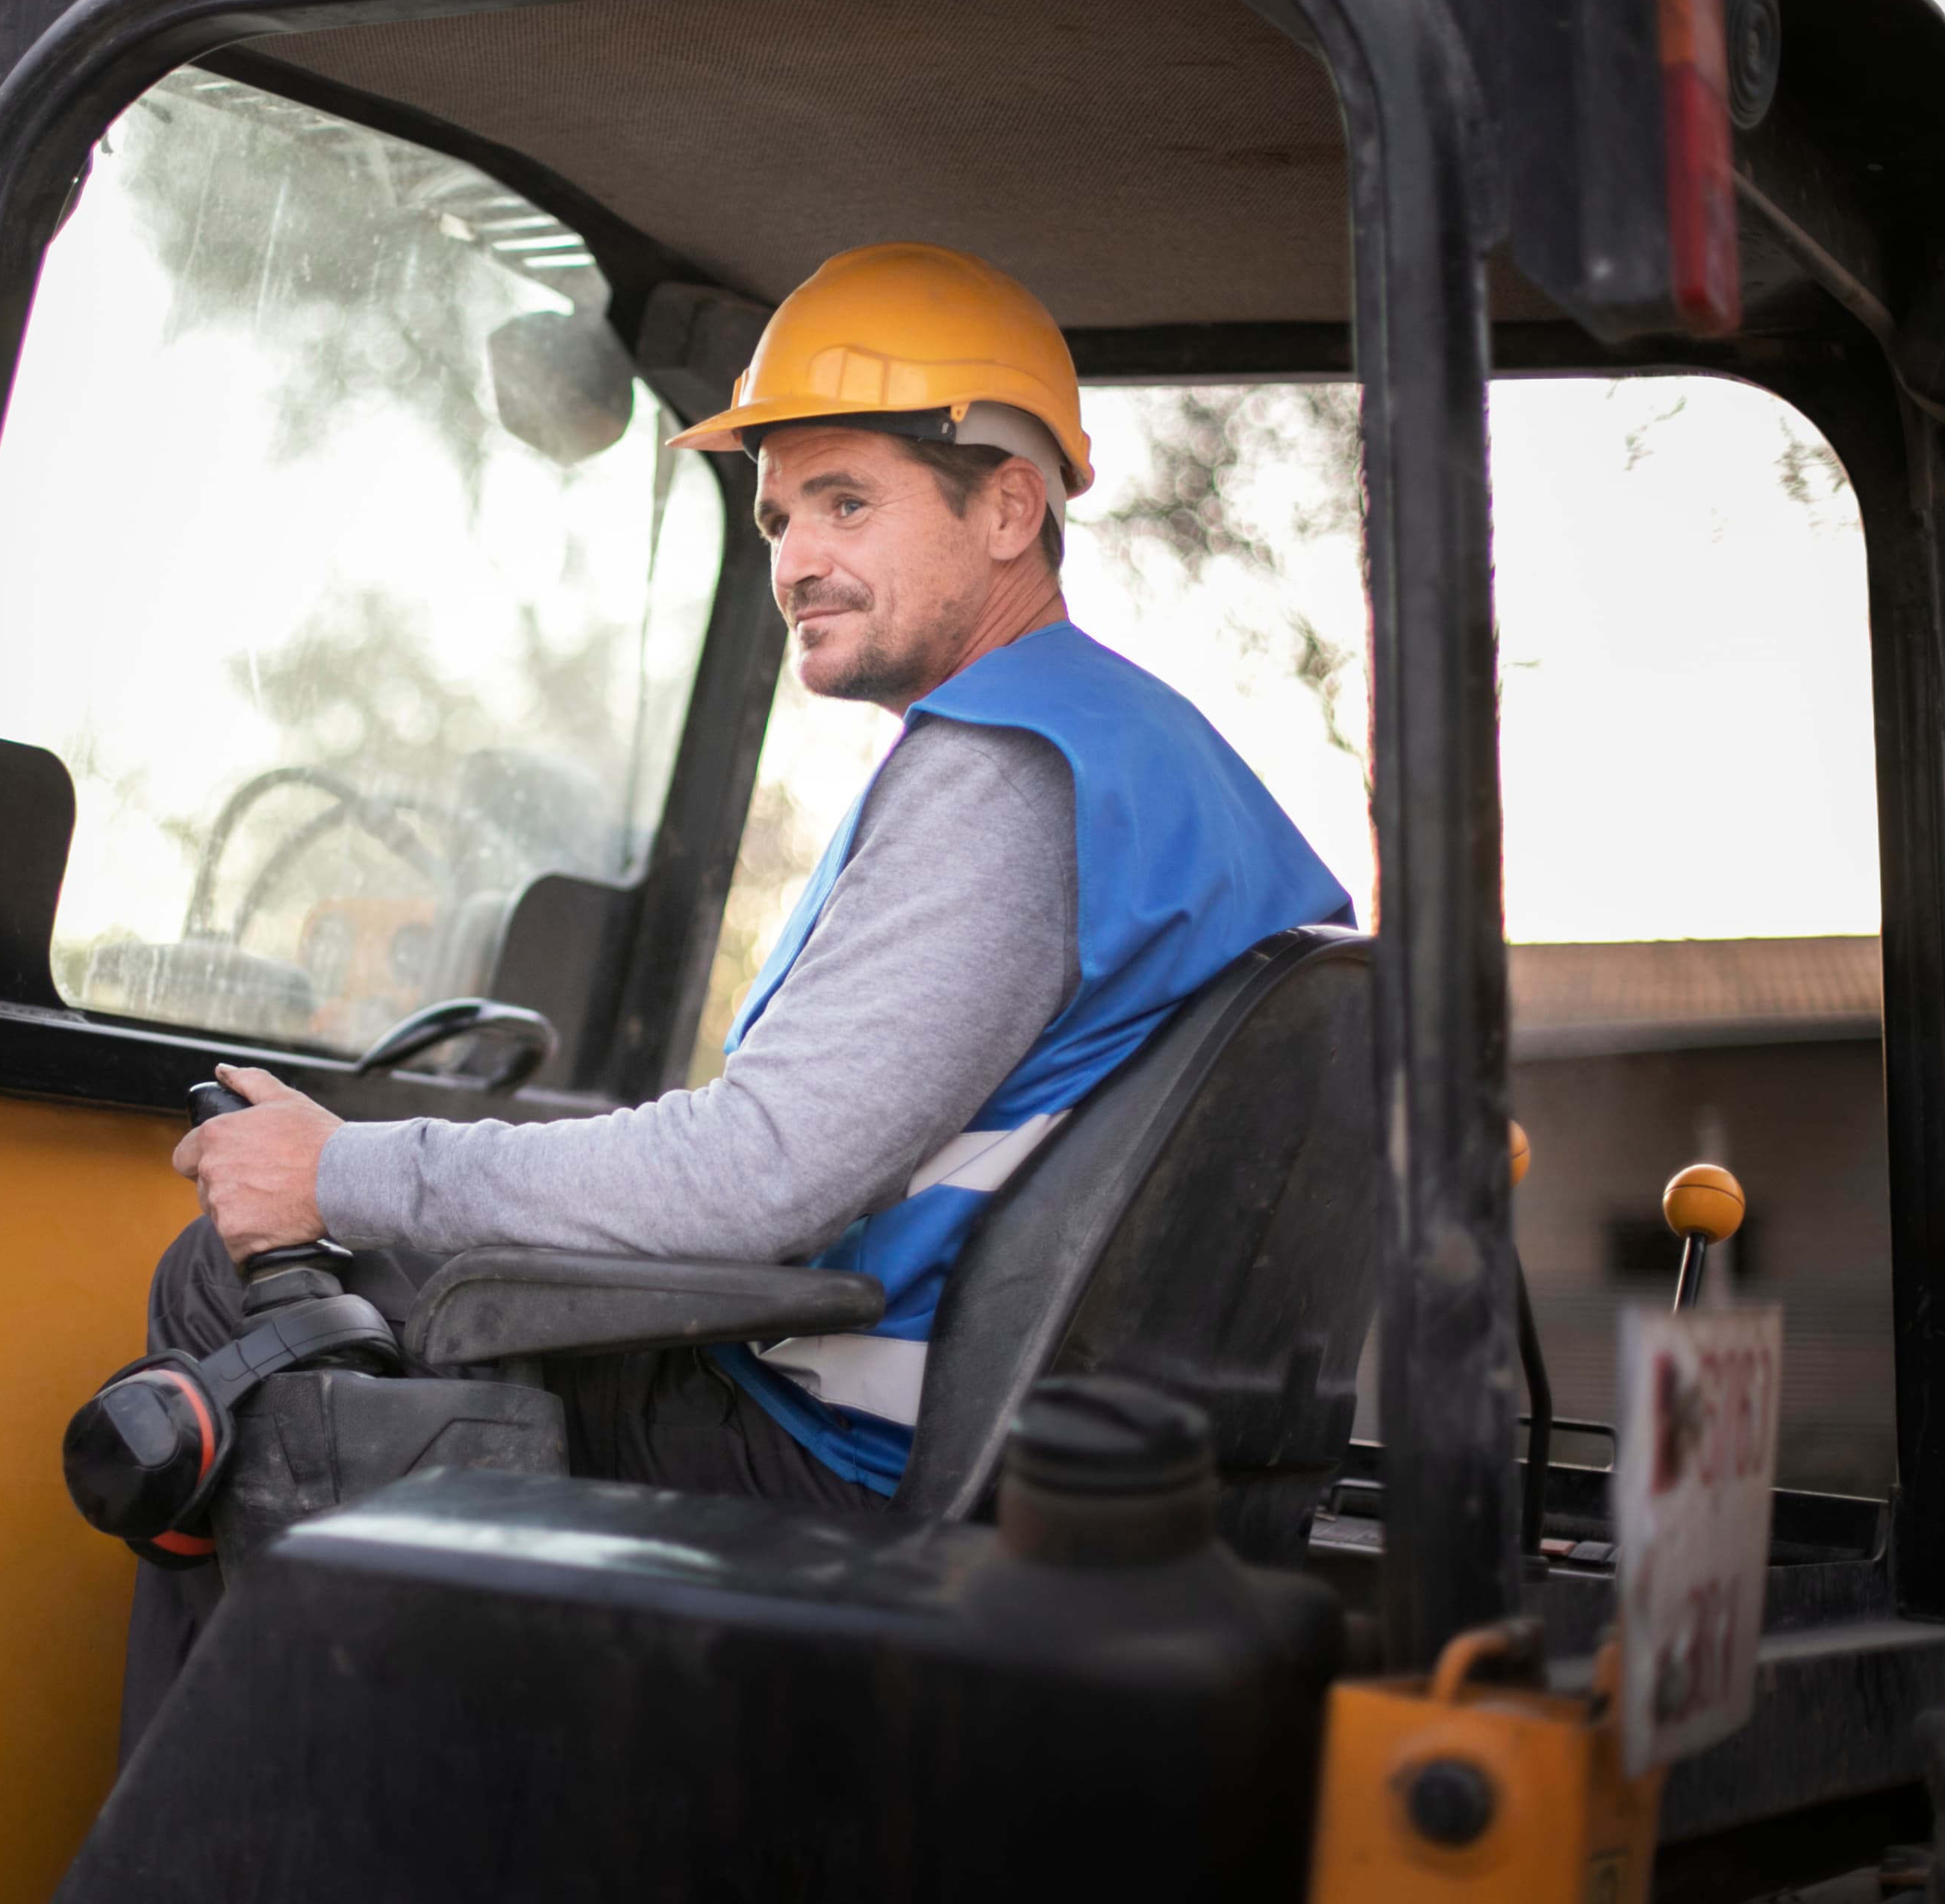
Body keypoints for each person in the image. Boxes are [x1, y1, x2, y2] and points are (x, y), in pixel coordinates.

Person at [117, 241, 1349, 1744]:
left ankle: (230, 1820)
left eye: (848, 502)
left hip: (845, 1468)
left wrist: (342, 1171)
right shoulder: (1147, 761)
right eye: (777, 517)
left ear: (1009, 507)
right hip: (1027, 1461)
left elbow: (762, 1176)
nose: (796, 558)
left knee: (232, 1287)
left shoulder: (1004, 773)